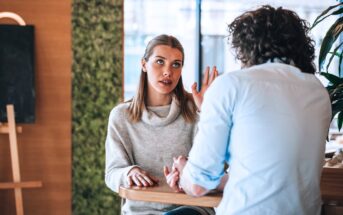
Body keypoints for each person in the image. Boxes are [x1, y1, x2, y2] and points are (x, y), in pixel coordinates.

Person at [167, 5, 332, 215]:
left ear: (246, 46)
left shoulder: (232, 85)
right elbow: (264, 179)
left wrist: (185, 173)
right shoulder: (317, 91)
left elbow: (198, 185)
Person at [104, 34, 217, 215]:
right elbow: (112, 174)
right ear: (143, 64)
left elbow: (217, 165)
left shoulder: (195, 109)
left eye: (176, 64)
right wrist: (128, 172)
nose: (167, 71)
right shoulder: (121, 116)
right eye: (159, 62)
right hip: (140, 211)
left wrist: (208, 113)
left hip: (191, 209)